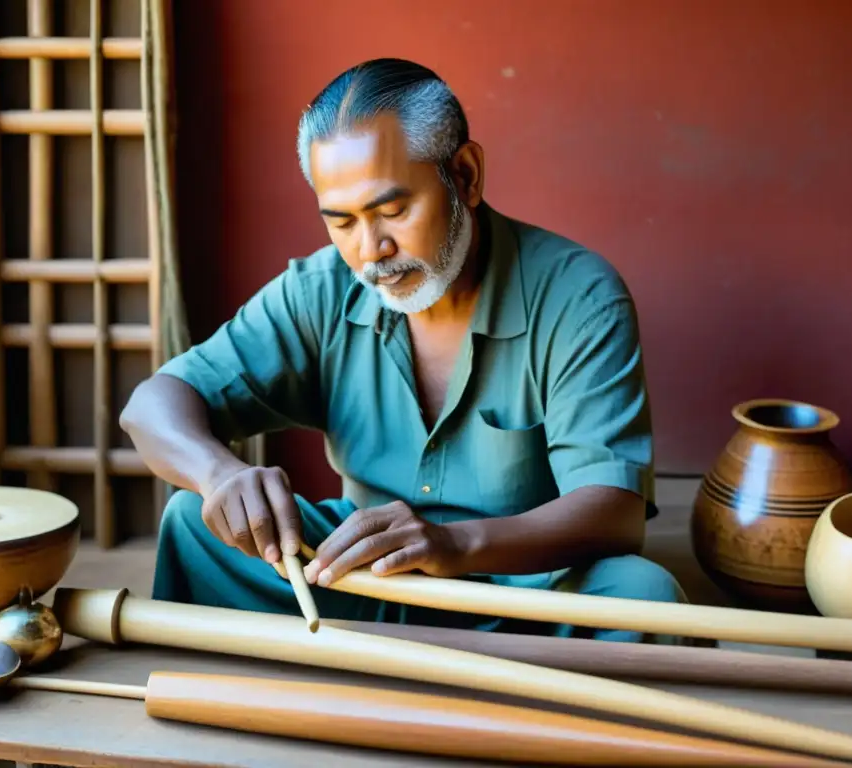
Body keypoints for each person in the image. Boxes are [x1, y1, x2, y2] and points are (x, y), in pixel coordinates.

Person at [120, 57, 686, 643]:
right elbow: (153, 404)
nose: (371, 251)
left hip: (528, 592)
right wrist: (219, 474)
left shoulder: (579, 296)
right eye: (341, 223)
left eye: (392, 211)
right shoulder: (321, 291)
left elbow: (614, 512)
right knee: (191, 521)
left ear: (465, 176)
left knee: (645, 596)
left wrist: (454, 544)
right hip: (360, 581)